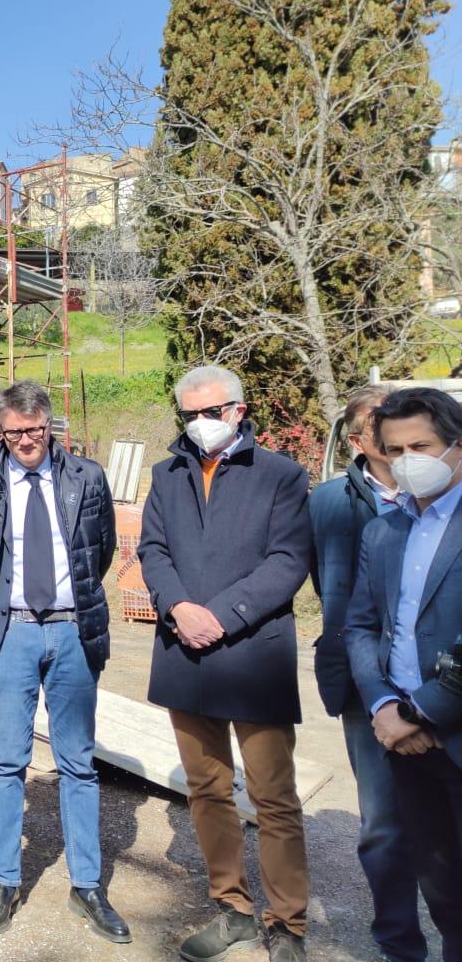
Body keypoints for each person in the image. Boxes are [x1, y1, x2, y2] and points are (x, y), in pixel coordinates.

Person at [138, 366, 314, 962]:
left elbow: (288, 561)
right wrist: (179, 608)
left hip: (252, 653)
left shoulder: (282, 476)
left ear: (239, 410)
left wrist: (222, 615)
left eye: (210, 412)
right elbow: (152, 550)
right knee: (207, 789)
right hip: (184, 650)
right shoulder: (167, 474)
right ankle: (232, 909)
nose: (199, 425)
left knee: (273, 797)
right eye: (189, 414)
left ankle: (287, 923)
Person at [0, 381, 129, 943]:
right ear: (1, 432)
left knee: (78, 761)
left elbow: (99, 551)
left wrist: (68, 605)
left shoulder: (87, 477)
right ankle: (5, 881)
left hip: (72, 631)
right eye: (15, 431)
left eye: (36, 429)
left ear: (51, 426)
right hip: (12, 634)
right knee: (7, 761)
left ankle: (88, 886)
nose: (27, 440)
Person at [346, 386, 462, 959]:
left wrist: (420, 712)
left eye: (423, 445)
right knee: (442, 891)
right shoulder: (384, 530)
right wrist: (384, 707)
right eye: (395, 449)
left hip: (447, 728)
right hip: (406, 743)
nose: (408, 459)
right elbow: (363, 628)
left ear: (458, 447)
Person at [310, 384, 424, 962]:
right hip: (364, 686)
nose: (397, 435)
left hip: (441, 685)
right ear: (359, 440)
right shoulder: (328, 503)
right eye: (383, 425)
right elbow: (329, 592)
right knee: (381, 824)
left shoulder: (442, 492)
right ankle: (399, 942)